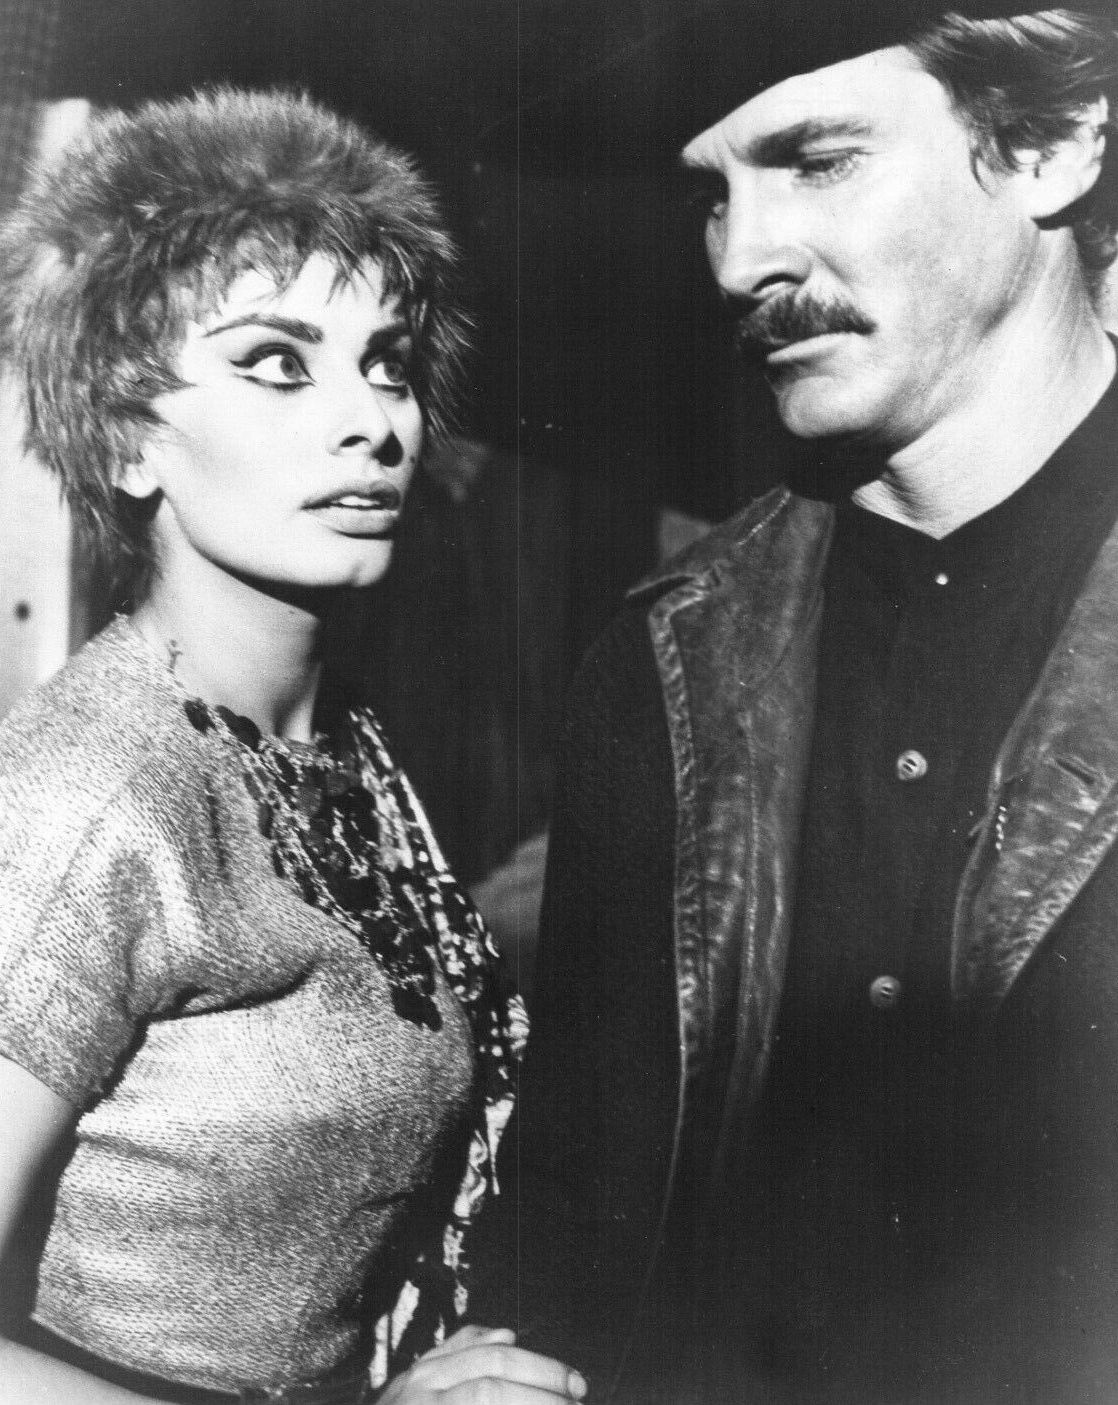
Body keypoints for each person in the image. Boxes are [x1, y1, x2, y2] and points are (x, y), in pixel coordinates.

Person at [471, 2, 1118, 1402]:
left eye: (818, 161)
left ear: (1055, 144)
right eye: (713, 193)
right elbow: (573, 1224)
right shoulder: (663, 662)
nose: (739, 260)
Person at [0, 88, 585, 1405]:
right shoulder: (89, 794)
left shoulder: (346, 745)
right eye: (277, 361)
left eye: (387, 362)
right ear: (128, 437)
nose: (373, 420)